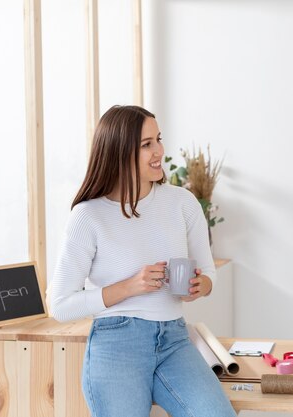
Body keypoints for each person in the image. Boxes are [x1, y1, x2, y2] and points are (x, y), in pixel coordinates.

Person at [48, 105, 236, 417]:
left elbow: (209, 273)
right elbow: (61, 305)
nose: (159, 151)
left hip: (174, 340)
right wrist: (129, 287)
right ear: (119, 153)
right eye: (146, 144)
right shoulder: (88, 216)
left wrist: (199, 286)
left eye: (158, 139)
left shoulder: (182, 203)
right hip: (116, 346)